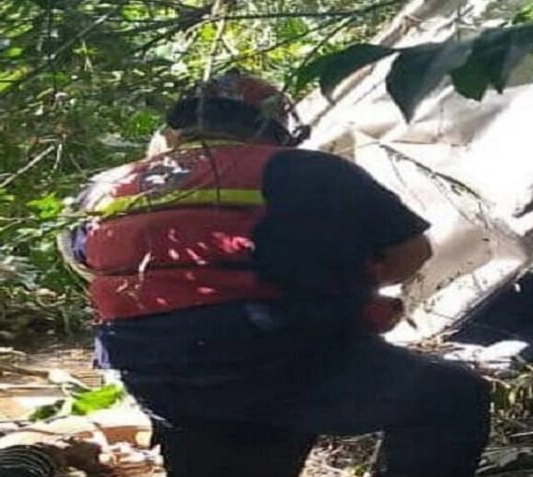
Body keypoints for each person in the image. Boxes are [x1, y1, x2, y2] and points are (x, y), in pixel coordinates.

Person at [57, 70, 491, 477]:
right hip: (285, 360)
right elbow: (411, 253)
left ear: (176, 129)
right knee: (448, 396)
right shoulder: (308, 170)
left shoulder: (104, 189)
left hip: (155, 373)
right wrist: (347, 286)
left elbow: (87, 266)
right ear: (275, 127)